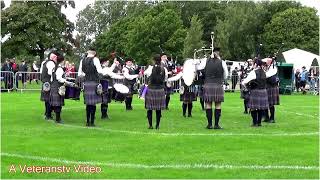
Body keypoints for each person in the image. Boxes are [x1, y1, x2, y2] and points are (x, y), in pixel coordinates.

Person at [78, 48, 118, 126]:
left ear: (88, 53)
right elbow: (100, 71)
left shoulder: (82, 60)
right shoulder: (95, 59)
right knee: (93, 104)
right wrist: (107, 72)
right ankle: (92, 122)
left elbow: (80, 73)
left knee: (88, 104)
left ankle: (87, 122)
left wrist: (86, 76)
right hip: (94, 82)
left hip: (86, 83)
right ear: (94, 53)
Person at [196, 48, 228, 129]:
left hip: (208, 84)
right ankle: (216, 125)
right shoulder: (222, 62)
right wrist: (221, 79)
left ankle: (209, 125)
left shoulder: (205, 61)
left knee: (208, 104)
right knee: (218, 104)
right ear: (218, 53)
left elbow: (198, 68)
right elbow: (226, 75)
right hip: (218, 84)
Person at [49, 53, 76, 123]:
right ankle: (58, 119)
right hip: (58, 86)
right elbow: (59, 78)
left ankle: (56, 117)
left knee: (55, 104)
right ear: (62, 61)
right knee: (58, 104)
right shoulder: (59, 68)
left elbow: (52, 78)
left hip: (53, 86)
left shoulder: (54, 68)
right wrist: (67, 82)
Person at [242, 59, 269, 127]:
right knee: (260, 108)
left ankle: (255, 123)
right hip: (263, 91)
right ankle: (259, 123)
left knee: (253, 108)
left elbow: (244, 82)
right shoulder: (264, 72)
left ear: (256, 64)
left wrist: (246, 87)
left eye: (253, 63)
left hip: (255, 91)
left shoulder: (253, 72)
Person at [143, 54, 168, 129]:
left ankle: (150, 125)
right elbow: (165, 79)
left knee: (149, 109)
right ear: (160, 60)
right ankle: (157, 125)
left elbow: (145, 74)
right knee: (158, 109)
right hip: (160, 90)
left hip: (151, 89)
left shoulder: (150, 68)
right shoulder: (164, 69)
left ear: (153, 60)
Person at [40, 51, 58, 120]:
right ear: (52, 57)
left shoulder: (45, 62)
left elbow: (41, 72)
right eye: (55, 57)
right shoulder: (51, 63)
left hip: (46, 82)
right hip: (49, 82)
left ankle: (47, 113)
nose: (56, 59)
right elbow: (50, 73)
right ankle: (48, 115)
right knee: (49, 99)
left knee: (47, 99)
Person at [263, 58, 280, 123]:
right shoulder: (267, 68)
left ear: (270, 62)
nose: (265, 63)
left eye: (267, 62)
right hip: (266, 86)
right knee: (265, 103)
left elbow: (267, 75)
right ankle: (266, 117)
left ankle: (272, 118)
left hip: (272, 87)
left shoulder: (273, 68)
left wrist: (264, 73)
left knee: (271, 104)